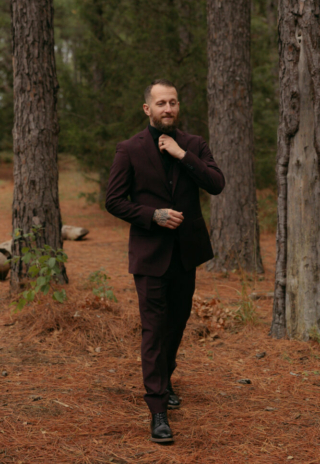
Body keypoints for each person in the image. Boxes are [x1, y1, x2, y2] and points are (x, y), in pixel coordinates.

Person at [106, 79, 225, 443]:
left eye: (172, 102)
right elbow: (114, 200)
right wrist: (152, 215)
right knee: (153, 330)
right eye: (160, 103)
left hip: (186, 254)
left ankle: (165, 376)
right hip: (149, 256)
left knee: (176, 324)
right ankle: (157, 409)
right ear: (148, 109)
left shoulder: (193, 145)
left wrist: (181, 155)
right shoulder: (129, 149)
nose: (168, 108)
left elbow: (217, 183)